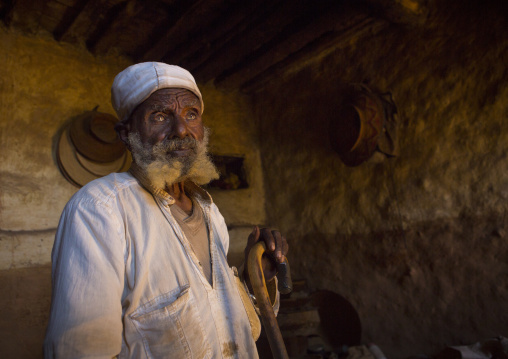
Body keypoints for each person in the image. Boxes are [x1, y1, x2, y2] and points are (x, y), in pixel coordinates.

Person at [44, 62, 289, 358]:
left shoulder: (210, 211)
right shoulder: (100, 210)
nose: (181, 130)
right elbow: (80, 351)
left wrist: (255, 279)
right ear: (126, 134)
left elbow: (223, 320)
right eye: (160, 116)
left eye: (191, 114)